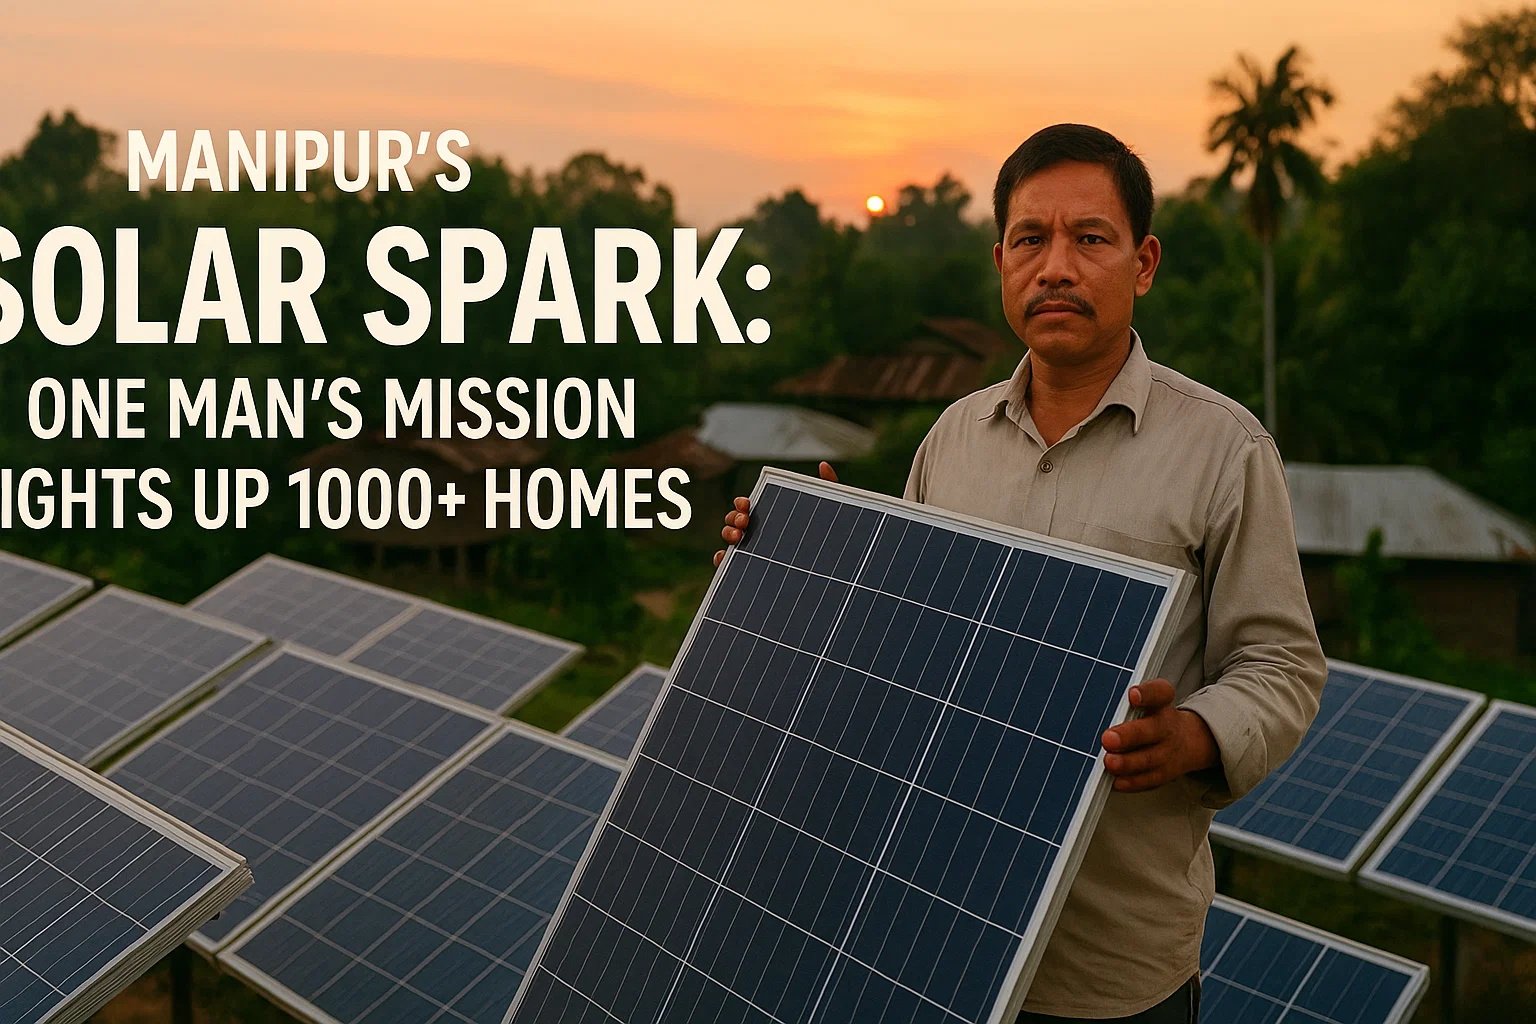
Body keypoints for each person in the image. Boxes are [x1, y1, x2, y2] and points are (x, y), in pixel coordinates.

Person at [714, 123, 1326, 1023]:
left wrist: (1194, 735)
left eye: (1090, 238)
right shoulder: (951, 441)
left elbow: (1282, 665)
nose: (1057, 267)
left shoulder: (1224, 450)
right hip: (931, 935)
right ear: (1000, 259)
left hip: (1113, 970)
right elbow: (908, 656)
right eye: (1031, 239)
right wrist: (805, 566)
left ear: (1143, 261)